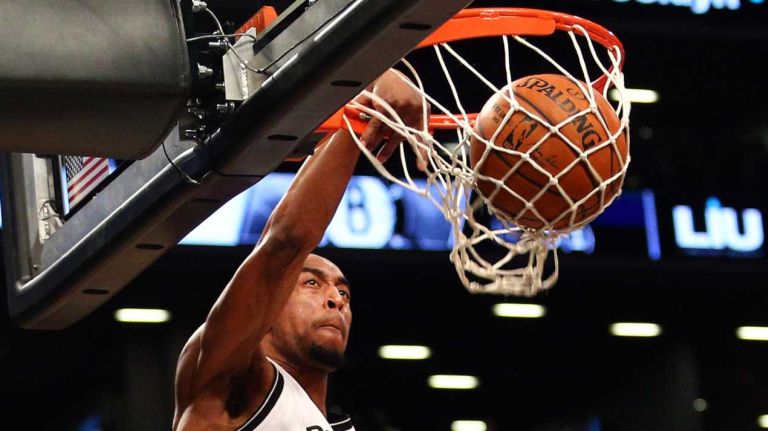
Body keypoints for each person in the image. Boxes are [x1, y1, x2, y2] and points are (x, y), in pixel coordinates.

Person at [172, 69, 425, 431]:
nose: (337, 300)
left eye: (343, 292)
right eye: (311, 283)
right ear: (269, 306)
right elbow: (284, 245)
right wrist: (361, 104)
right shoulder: (233, 387)